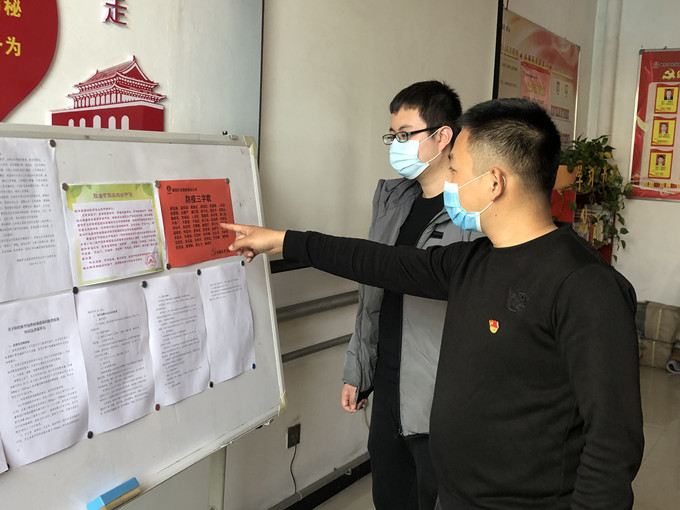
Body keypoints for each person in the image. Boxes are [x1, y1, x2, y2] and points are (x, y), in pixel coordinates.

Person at [222, 98, 644, 509]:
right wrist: (283, 241)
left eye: (455, 169)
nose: (449, 183)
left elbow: (612, 444)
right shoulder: (474, 260)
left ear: (494, 182)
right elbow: (382, 262)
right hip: (456, 494)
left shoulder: (586, 287)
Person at [342, 80, 479, 510]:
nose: (396, 145)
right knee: (389, 494)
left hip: (440, 394)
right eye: (392, 136)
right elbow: (371, 293)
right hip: (388, 382)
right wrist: (358, 369)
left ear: (442, 136)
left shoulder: (472, 211)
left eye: (405, 134)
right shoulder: (393, 201)